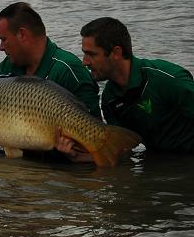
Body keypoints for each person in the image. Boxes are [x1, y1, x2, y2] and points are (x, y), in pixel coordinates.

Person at [0, 2, 101, 146]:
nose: (1, 47)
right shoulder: (5, 69)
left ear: (22, 34)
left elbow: (96, 129)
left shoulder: (68, 69)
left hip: (55, 164)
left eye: (3, 39)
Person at [78, 17, 194, 153]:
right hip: (158, 165)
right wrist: (76, 156)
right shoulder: (109, 99)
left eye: (91, 54)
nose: (84, 62)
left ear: (116, 52)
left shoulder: (167, 80)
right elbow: (121, 152)